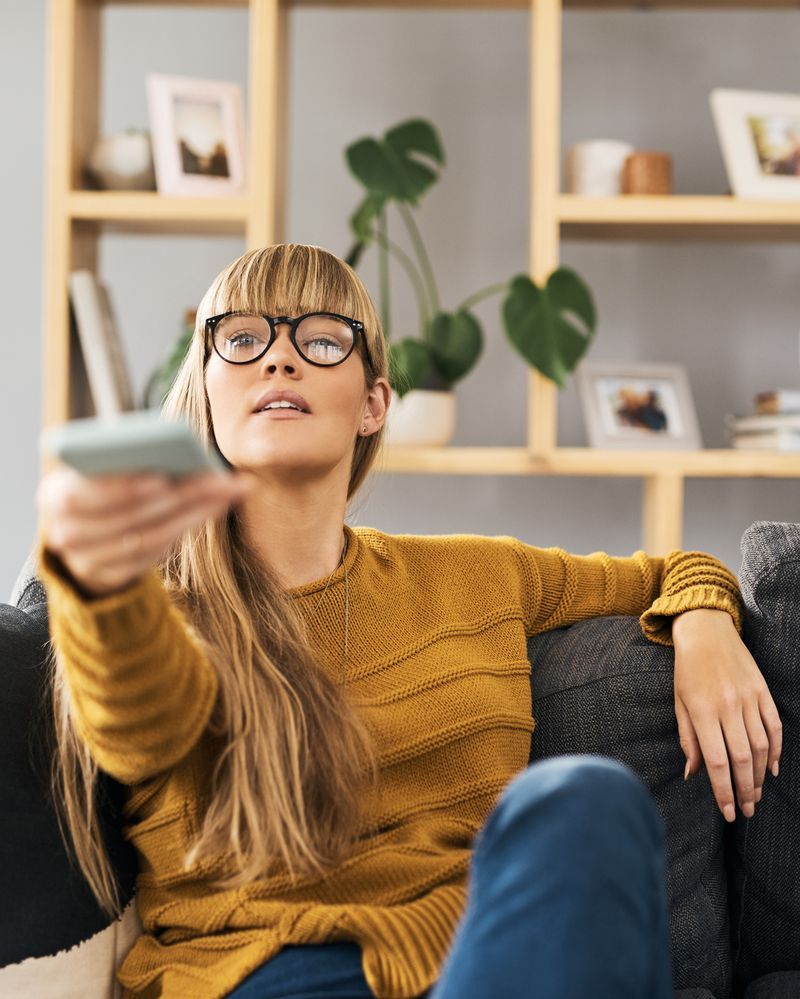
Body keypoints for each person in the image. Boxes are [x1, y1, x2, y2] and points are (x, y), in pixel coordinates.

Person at [36, 244, 782, 999]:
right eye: (242, 338)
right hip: (264, 975)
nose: (279, 360)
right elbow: (141, 725)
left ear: (374, 404)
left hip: (478, 968)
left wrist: (706, 624)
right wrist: (102, 589)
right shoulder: (155, 607)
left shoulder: (475, 574)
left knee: (587, 799)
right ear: (205, 385)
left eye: (322, 340)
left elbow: (673, 569)